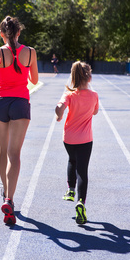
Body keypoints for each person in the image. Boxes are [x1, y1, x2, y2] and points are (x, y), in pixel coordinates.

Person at [0, 16, 39, 225]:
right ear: (18, 33)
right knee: (14, 154)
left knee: (3, 150)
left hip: (0, 103)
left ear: (1, 34)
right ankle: (9, 199)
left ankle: (5, 192)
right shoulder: (31, 52)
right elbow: (34, 80)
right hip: (20, 103)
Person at [55, 61, 99, 225]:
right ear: (89, 77)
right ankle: (81, 202)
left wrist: (59, 113)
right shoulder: (94, 95)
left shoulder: (69, 94)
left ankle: (70, 190)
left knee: (71, 160)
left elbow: (60, 108)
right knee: (83, 170)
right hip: (85, 139)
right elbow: (95, 111)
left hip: (69, 139)